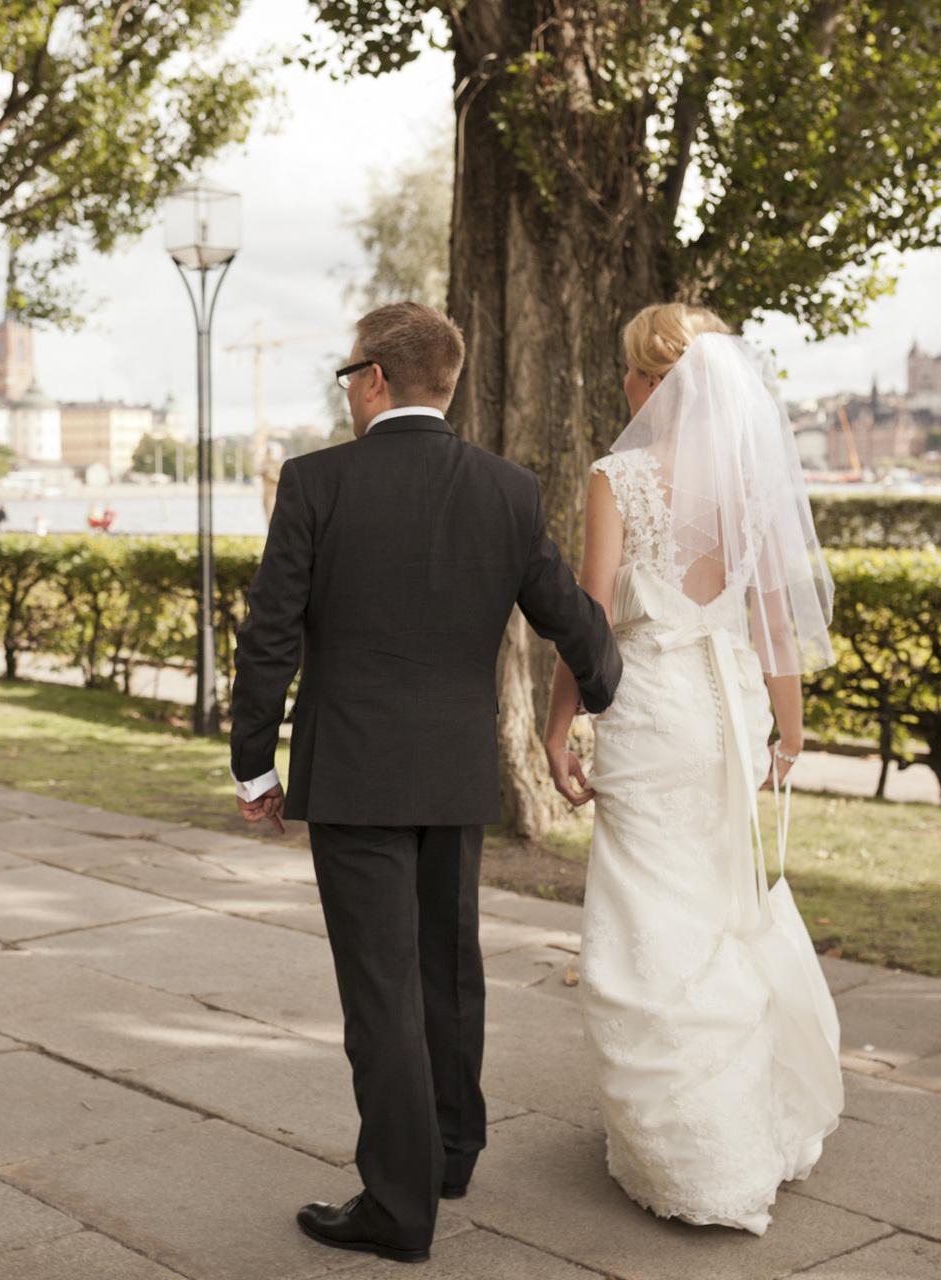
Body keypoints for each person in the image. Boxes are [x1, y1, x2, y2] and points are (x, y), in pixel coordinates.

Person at [230, 302, 621, 1264]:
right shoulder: (507, 489)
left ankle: (399, 1210)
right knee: (448, 973)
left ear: (371, 379)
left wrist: (253, 765)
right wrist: (607, 694)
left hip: (356, 775)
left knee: (381, 994)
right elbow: (574, 619)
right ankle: (450, 1151)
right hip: (453, 773)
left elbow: (270, 634)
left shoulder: (316, 483)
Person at [542, 303, 842, 1235]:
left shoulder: (617, 477)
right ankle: (740, 1127)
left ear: (649, 381)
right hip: (726, 717)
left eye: (629, 375)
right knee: (719, 913)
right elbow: (775, 626)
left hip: (650, 714)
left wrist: (556, 727)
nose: (624, 391)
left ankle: (694, 1155)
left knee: (648, 923)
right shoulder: (750, 483)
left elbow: (588, 622)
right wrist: (785, 736)